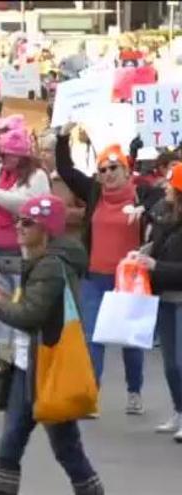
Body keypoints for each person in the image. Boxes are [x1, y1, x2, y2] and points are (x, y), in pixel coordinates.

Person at [0, 194, 105, 495]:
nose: (18, 227)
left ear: (46, 229)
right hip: (29, 365)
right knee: (14, 443)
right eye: (18, 220)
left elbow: (30, 315)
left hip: (45, 368)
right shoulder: (39, 260)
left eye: (27, 222)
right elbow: (30, 309)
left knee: (64, 448)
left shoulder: (49, 266)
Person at [55, 127, 163, 416]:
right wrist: (62, 137)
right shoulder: (94, 193)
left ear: (126, 170)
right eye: (103, 169)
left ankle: (134, 391)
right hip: (95, 276)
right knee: (92, 336)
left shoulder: (141, 193)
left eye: (114, 167)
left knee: (130, 340)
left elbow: (163, 197)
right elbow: (65, 170)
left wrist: (145, 210)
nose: (108, 174)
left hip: (129, 279)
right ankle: (90, 395)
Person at [0, 127, 51, 367]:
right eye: (1, 153)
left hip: (23, 254)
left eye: (8, 154)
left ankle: (24, 358)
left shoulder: (37, 176)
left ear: (21, 155)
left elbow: (26, 205)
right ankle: (3, 358)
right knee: (0, 308)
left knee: (23, 308)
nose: (3, 158)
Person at [129, 161, 182, 442]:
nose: (165, 189)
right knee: (171, 363)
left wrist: (155, 265)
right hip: (164, 296)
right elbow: (158, 244)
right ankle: (178, 410)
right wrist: (143, 252)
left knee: (181, 361)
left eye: (171, 187)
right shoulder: (164, 213)